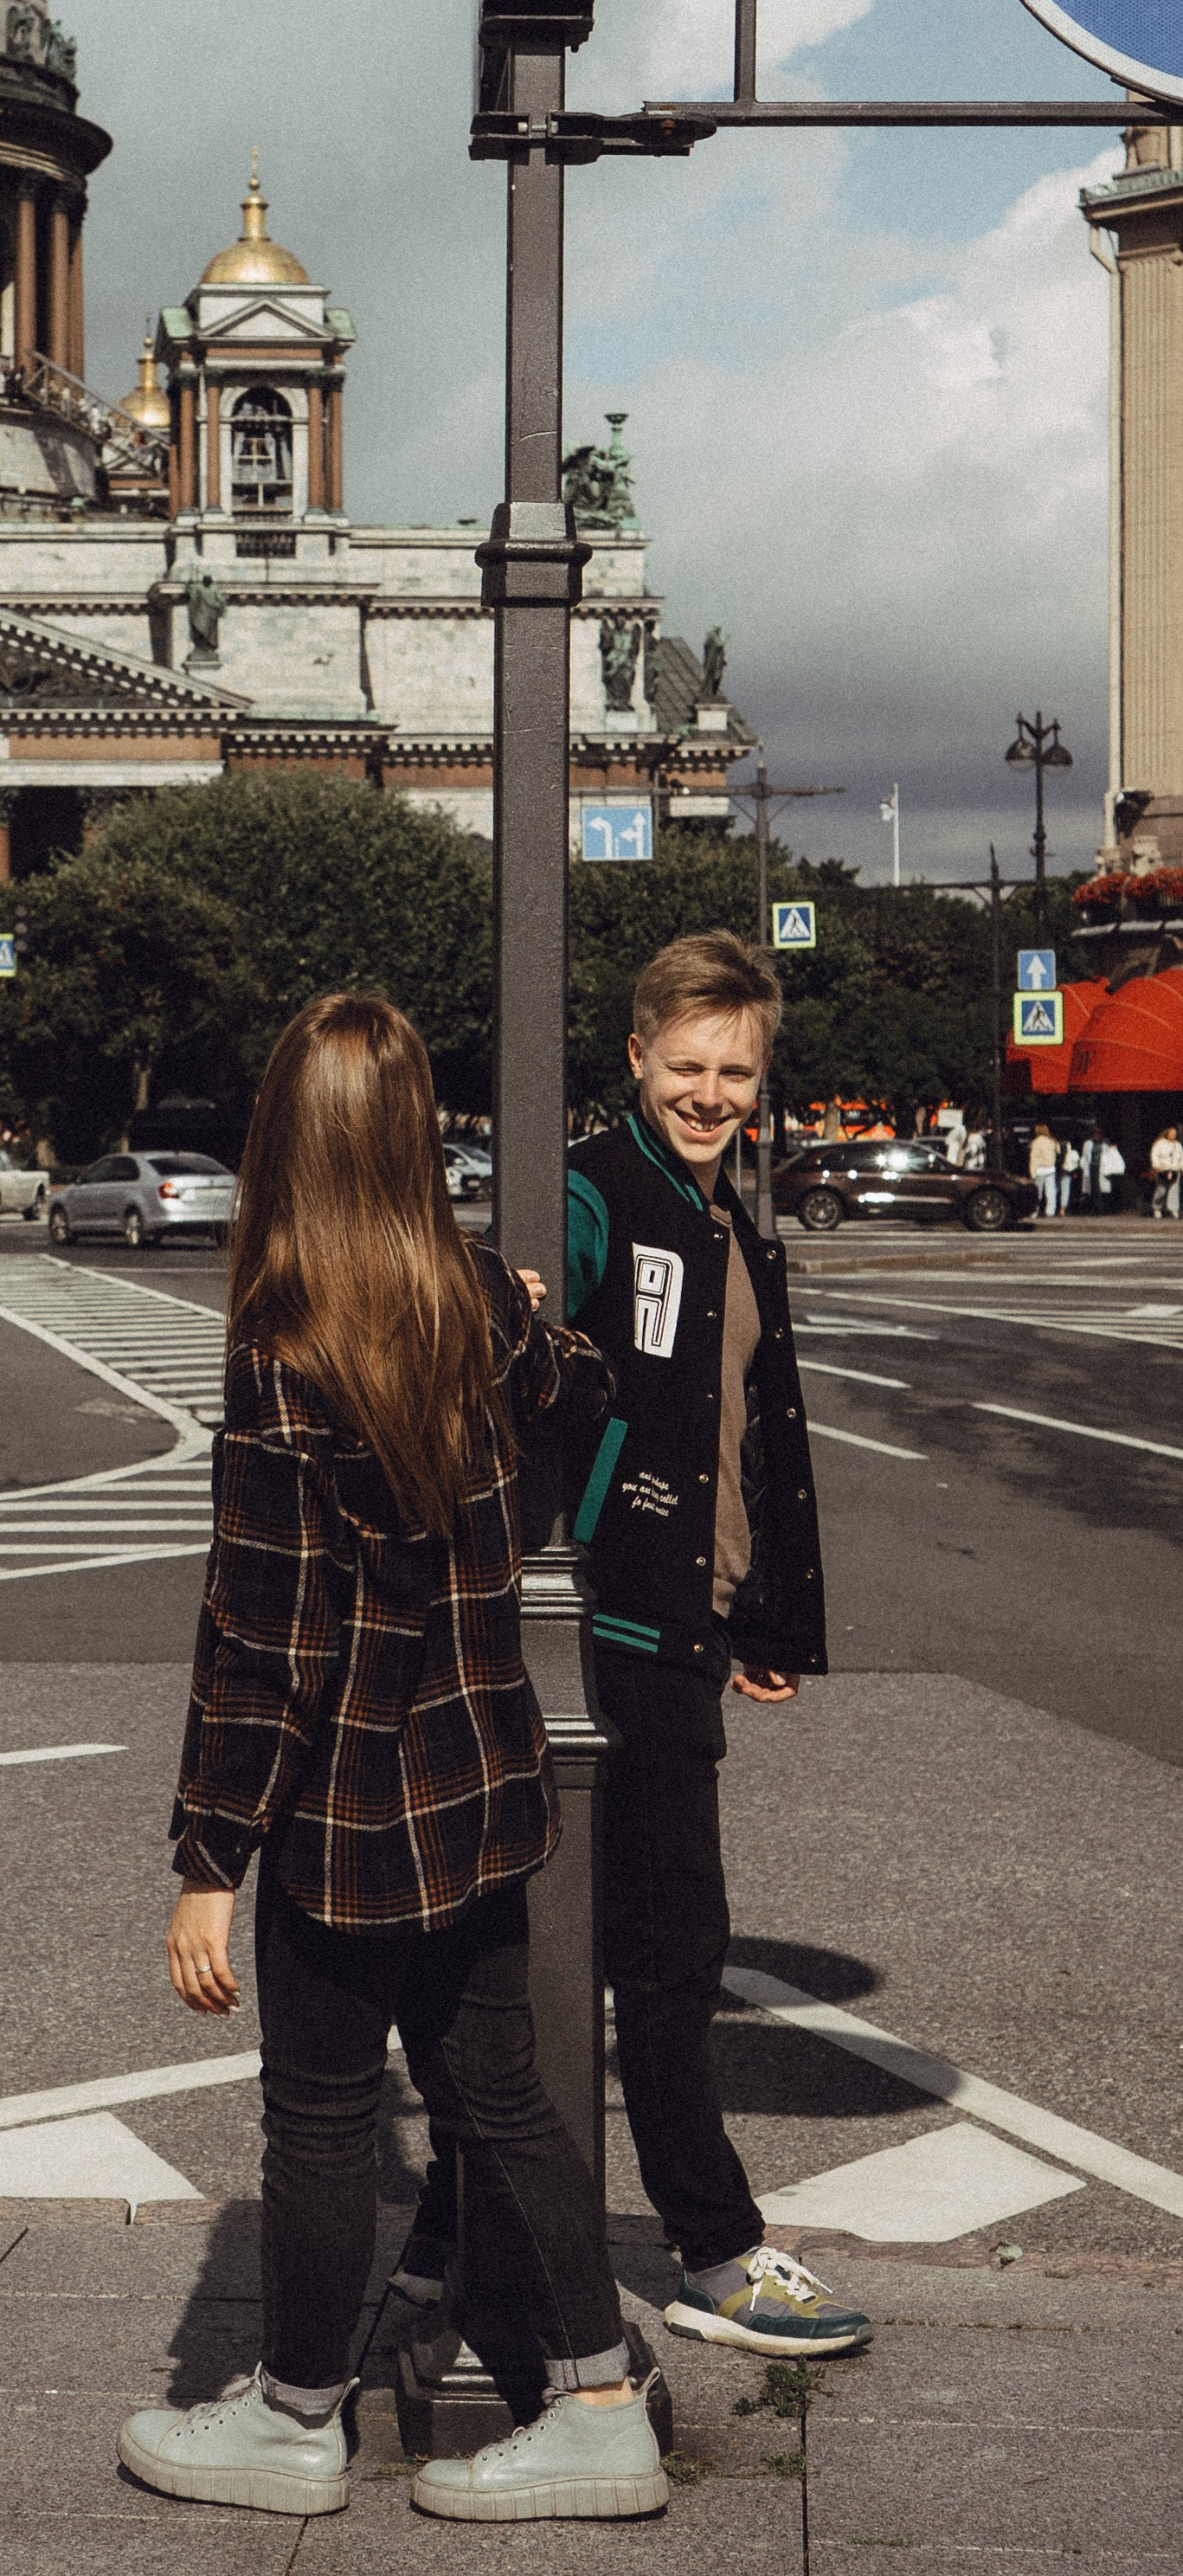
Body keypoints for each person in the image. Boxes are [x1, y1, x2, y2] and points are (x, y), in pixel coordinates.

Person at [119, 995, 668, 2528]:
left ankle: (296, 2413)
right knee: (498, 2098)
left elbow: (265, 1635)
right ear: (416, 1135)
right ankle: (599, 2396)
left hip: (350, 1810)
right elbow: (584, 1382)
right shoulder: (474, 1305)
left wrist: (206, 1857)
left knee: (317, 2114)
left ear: (285, 1141)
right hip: (477, 1783)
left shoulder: (286, 1348)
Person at [401, 934, 871, 2363]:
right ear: (634, 1059)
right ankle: (715, 2246)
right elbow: (518, 1320)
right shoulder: (602, 1189)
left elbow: (737, 1437)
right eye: (686, 1065)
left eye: (734, 1069)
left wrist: (757, 1613)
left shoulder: (724, 1211)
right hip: (600, 1625)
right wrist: (508, 1306)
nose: (710, 1090)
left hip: (675, 1622)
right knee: (662, 1952)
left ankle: (444, 2228)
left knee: (556, 1941)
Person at [1153, 1124, 1183, 1221]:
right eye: (1171, 1133)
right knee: (1161, 1189)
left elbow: (1182, 1158)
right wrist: (1157, 1166)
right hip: (1163, 1170)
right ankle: (1157, 1209)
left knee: (1174, 1190)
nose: (1173, 1135)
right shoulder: (1160, 1144)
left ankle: (1173, 1209)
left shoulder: (1178, 1145)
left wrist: (1181, 1167)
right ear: (1167, 1134)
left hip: (1174, 1170)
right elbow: (1155, 1155)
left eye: (1175, 1134)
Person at [1030, 1123, 1059, 1218]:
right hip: (1051, 1169)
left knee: (1038, 1192)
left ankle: (1034, 1212)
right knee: (1051, 1192)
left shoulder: (1036, 1142)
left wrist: (1032, 1172)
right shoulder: (1052, 1141)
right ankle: (1050, 1211)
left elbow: (1033, 1158)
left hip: (1040, 1169)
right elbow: (1058, 1151)